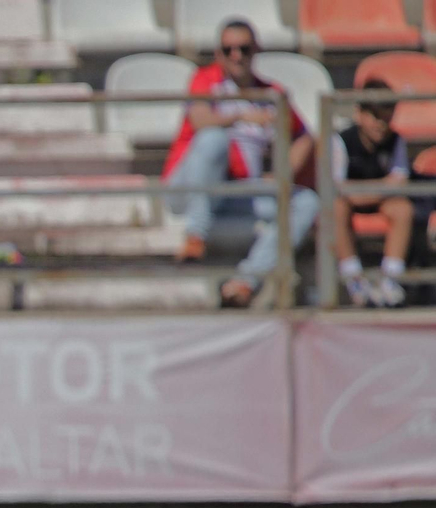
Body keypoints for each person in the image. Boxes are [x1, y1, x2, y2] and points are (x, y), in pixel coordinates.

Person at [163, 17, 319, 308]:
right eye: (229, 49)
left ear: (256, 50)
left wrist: (282, 173)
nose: (237, 56)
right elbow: (200, 120)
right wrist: (240, 116)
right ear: (218, 54)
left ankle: (246, 281)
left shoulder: (270, 93)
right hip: (190, 188)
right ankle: (196, 234)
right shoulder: (206, 80)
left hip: (234, 193)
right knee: (214, 139)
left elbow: (304, 137)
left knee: (306, 201)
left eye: (244, 49)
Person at [332, 80, 412, 308]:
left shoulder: (396, 141)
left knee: (402, 208)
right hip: (349, 203)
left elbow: (401, 184)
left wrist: (361, 191)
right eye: (374, 115)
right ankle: (353, 278)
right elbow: (337, 189)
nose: (380, 124)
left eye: (386, 116)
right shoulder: (341, 141)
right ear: (359, 114)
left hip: (380, 202)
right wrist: (383, 186)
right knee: (337, 207)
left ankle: (391, 278)